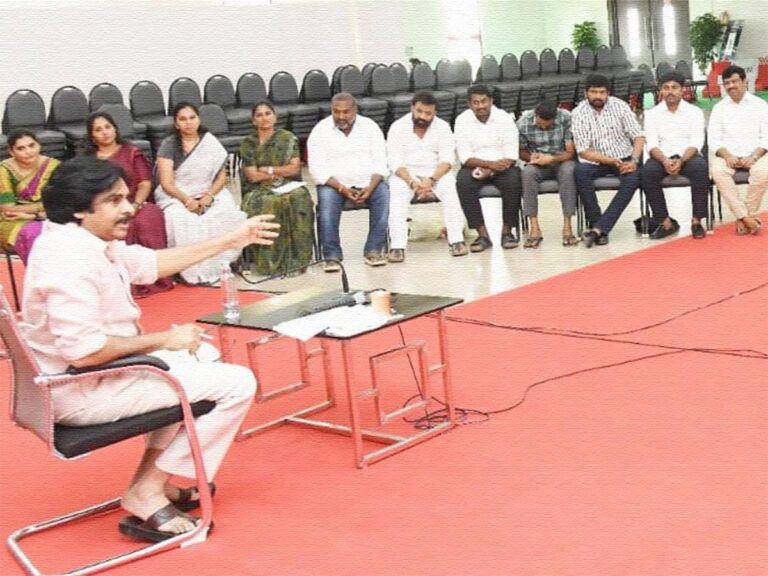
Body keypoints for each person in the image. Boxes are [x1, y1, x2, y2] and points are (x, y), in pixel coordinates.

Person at [21, 157, 279, 542]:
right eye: (114, 201)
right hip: (80, 390)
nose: (129, 208)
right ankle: (147, 490)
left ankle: (151, 481)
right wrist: (162, 340)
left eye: (126, 197)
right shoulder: (68, 260)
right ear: (78, 209)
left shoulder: (82, 238)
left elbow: (152, 264)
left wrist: (231, 239)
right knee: (238, 383)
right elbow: (84, 352)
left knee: (202, 357)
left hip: (95, 376)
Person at [154, 102, 246, 284]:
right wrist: (187, 201)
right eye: (183, 119)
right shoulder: (169, 144)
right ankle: (189, 271)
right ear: (176, 123)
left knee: (227, 211)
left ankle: (222, 265)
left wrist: (209, 196)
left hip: (209, 191)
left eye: (192, 117)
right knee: (180, 219)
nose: (188, 122)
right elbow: (166, 183)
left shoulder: (209, 142)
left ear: (198, 119)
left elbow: (222, 177)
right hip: (176, 194)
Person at [86, 111, 174, 294]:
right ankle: (121, 282)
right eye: (98, 130)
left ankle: (157, 278)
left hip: (136, 203)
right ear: (92, 136)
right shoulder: (89, 161)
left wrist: (135, 205)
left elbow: (145, 183)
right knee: (112, 223)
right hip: (106, 207)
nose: (105, 132)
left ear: (115, 129)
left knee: (149, 218)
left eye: (108, 127)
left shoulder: (132, 152)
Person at [307, 93, 389, 270]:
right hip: (334, 185)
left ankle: (374, 250)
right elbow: (317, 170)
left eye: (346, 112)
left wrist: (370, 187)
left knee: (384, 195)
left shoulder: (370, 127)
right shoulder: (320, 131)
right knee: (326, 205)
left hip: (368, 183)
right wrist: (342, 189)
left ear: (355, 110)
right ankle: (332, 255)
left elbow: (381, 163)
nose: (341, 116)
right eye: (336, 112)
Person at [386, 91, 467, 261]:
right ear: (412, 108)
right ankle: (397, 246)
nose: (422, 116)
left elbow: (447, 160)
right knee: (396, 190)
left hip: (436, 174)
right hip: (406, 175)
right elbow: (395, 163)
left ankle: (456, 240)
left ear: (434, 113)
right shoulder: (397, 127)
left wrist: (431, 180)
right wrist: (412, 182)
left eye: (428, 113)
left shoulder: (443, 127)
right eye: (419, 111)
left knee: (450, 186)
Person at [239, 101, 314, 276]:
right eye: (259, 115)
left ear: (275, 117)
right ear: (253, 121)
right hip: (258, 190)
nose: (264, 118)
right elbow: (252, 176)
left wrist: (269, 170)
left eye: (268, 113)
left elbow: (294, 169)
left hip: (288, 185)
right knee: (269, 202)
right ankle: (270, 262)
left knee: (300, 198)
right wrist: (278, 173)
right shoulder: (248, 143)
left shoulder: (288, 138)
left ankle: (299, 259)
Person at [572, 74, 644, 247]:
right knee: (580, 172)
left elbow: (638, 136)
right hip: (595, 160)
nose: (598, 96)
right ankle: (597, 224)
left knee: (633, 178)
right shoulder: (578, 113)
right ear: (585, 93)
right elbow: (583, 151)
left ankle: (598, 229)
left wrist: (634, 160)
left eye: (602, 92)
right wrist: (611, 160)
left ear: (608, 93)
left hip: (624, 158)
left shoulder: (620, 106)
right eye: (593, 92)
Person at [454, 84, 522, 252]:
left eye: (484, 101)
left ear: (491, 101)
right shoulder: (462, 120)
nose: (480, 106)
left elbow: (512, 154)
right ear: (469, 104)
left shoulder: (504, 118)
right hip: (475, 165)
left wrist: (492, 170)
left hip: (503, 166)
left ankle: (507, 232)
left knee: (514, 180)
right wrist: (489, 166)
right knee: (462, 181)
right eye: (475, 102)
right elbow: (465, 157)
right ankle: (482, 234)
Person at [641, 71, 708, 240]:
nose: (670, 91)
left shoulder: (694, 112)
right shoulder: (652, 114)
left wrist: (681, 161)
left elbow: (696, 142)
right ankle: (666, 223)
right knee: (647, 172)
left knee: (701, 168)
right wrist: (664, 160)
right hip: (662, 157)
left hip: (688, 157)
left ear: (682, 90)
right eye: (666, 88)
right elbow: (652, 144)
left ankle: (696, 221)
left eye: (674, 87)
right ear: (661, 91)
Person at [708, 64, 768, 235]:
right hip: (727, 156)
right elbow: (713, 139)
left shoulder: (760, 105)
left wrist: (754, 157)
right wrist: (727, 156)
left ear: (744, 81)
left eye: (734, 81)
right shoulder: (719, 108)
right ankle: (748, 218)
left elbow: (766, 136)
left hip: (755, 155)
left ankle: (744, 217)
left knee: (763, 172)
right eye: (727, 83)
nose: (731, 86)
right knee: (718, 172)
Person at [517, 100, 578, 247]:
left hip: (561, 160)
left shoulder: (566, 118)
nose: (544, 127)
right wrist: (531, 157)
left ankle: (568, 226)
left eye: (548, 124)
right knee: (527, 173)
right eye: (541, 123)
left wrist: (552, 159)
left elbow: (570, 152)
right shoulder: (523, 123)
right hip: (537, 162)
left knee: (569, 171)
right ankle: (534, 227)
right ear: (535, 115)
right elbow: (520, 151)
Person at [0, 130, 60, 263]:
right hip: (13, 220)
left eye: (32, 145)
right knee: (36, 237)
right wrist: (42, 207)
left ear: (39, 145)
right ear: (11, 152)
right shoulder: (4, 170)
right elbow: (8, 209)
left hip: (49, 215)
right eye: (21, 148)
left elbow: (61, 202)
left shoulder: (53, 166)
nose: (28, 151)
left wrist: (35, 214)